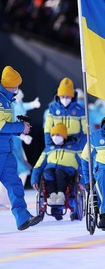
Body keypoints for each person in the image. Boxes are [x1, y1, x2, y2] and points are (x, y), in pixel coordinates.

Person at [0, 65, 42, 230]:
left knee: (15, 184)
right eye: (16, 84)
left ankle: (22, 217)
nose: (18, 88)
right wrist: (20, 127)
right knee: (14, 184)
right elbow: (2, 126)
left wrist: (21, 130)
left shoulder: (8, 99)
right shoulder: (1, 99)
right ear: (11, 84)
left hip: (7, 150)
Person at [31, 123, 82, 220]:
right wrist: (34, 180)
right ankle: (53, 196)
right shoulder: (49, 149)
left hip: (68, 173)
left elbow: (83, 164)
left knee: (59, 171)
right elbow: (38, 166)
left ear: (64, 135)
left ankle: (61, 195)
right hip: (51, 171)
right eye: (53, 135)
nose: (55, 137)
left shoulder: (75, 147)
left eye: (58, 135)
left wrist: (83, 182)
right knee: (47, 173)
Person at [44, 77, 87, 149]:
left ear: (72, 96)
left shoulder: (80, 109)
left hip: (75, 143)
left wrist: (82, 147)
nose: (65, 99)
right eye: (62, 97)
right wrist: (49, 144)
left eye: (67, 97)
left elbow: (85, 131)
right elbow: (48, 127)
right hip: (57, 141)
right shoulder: (53, 108)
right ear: (58, 96)